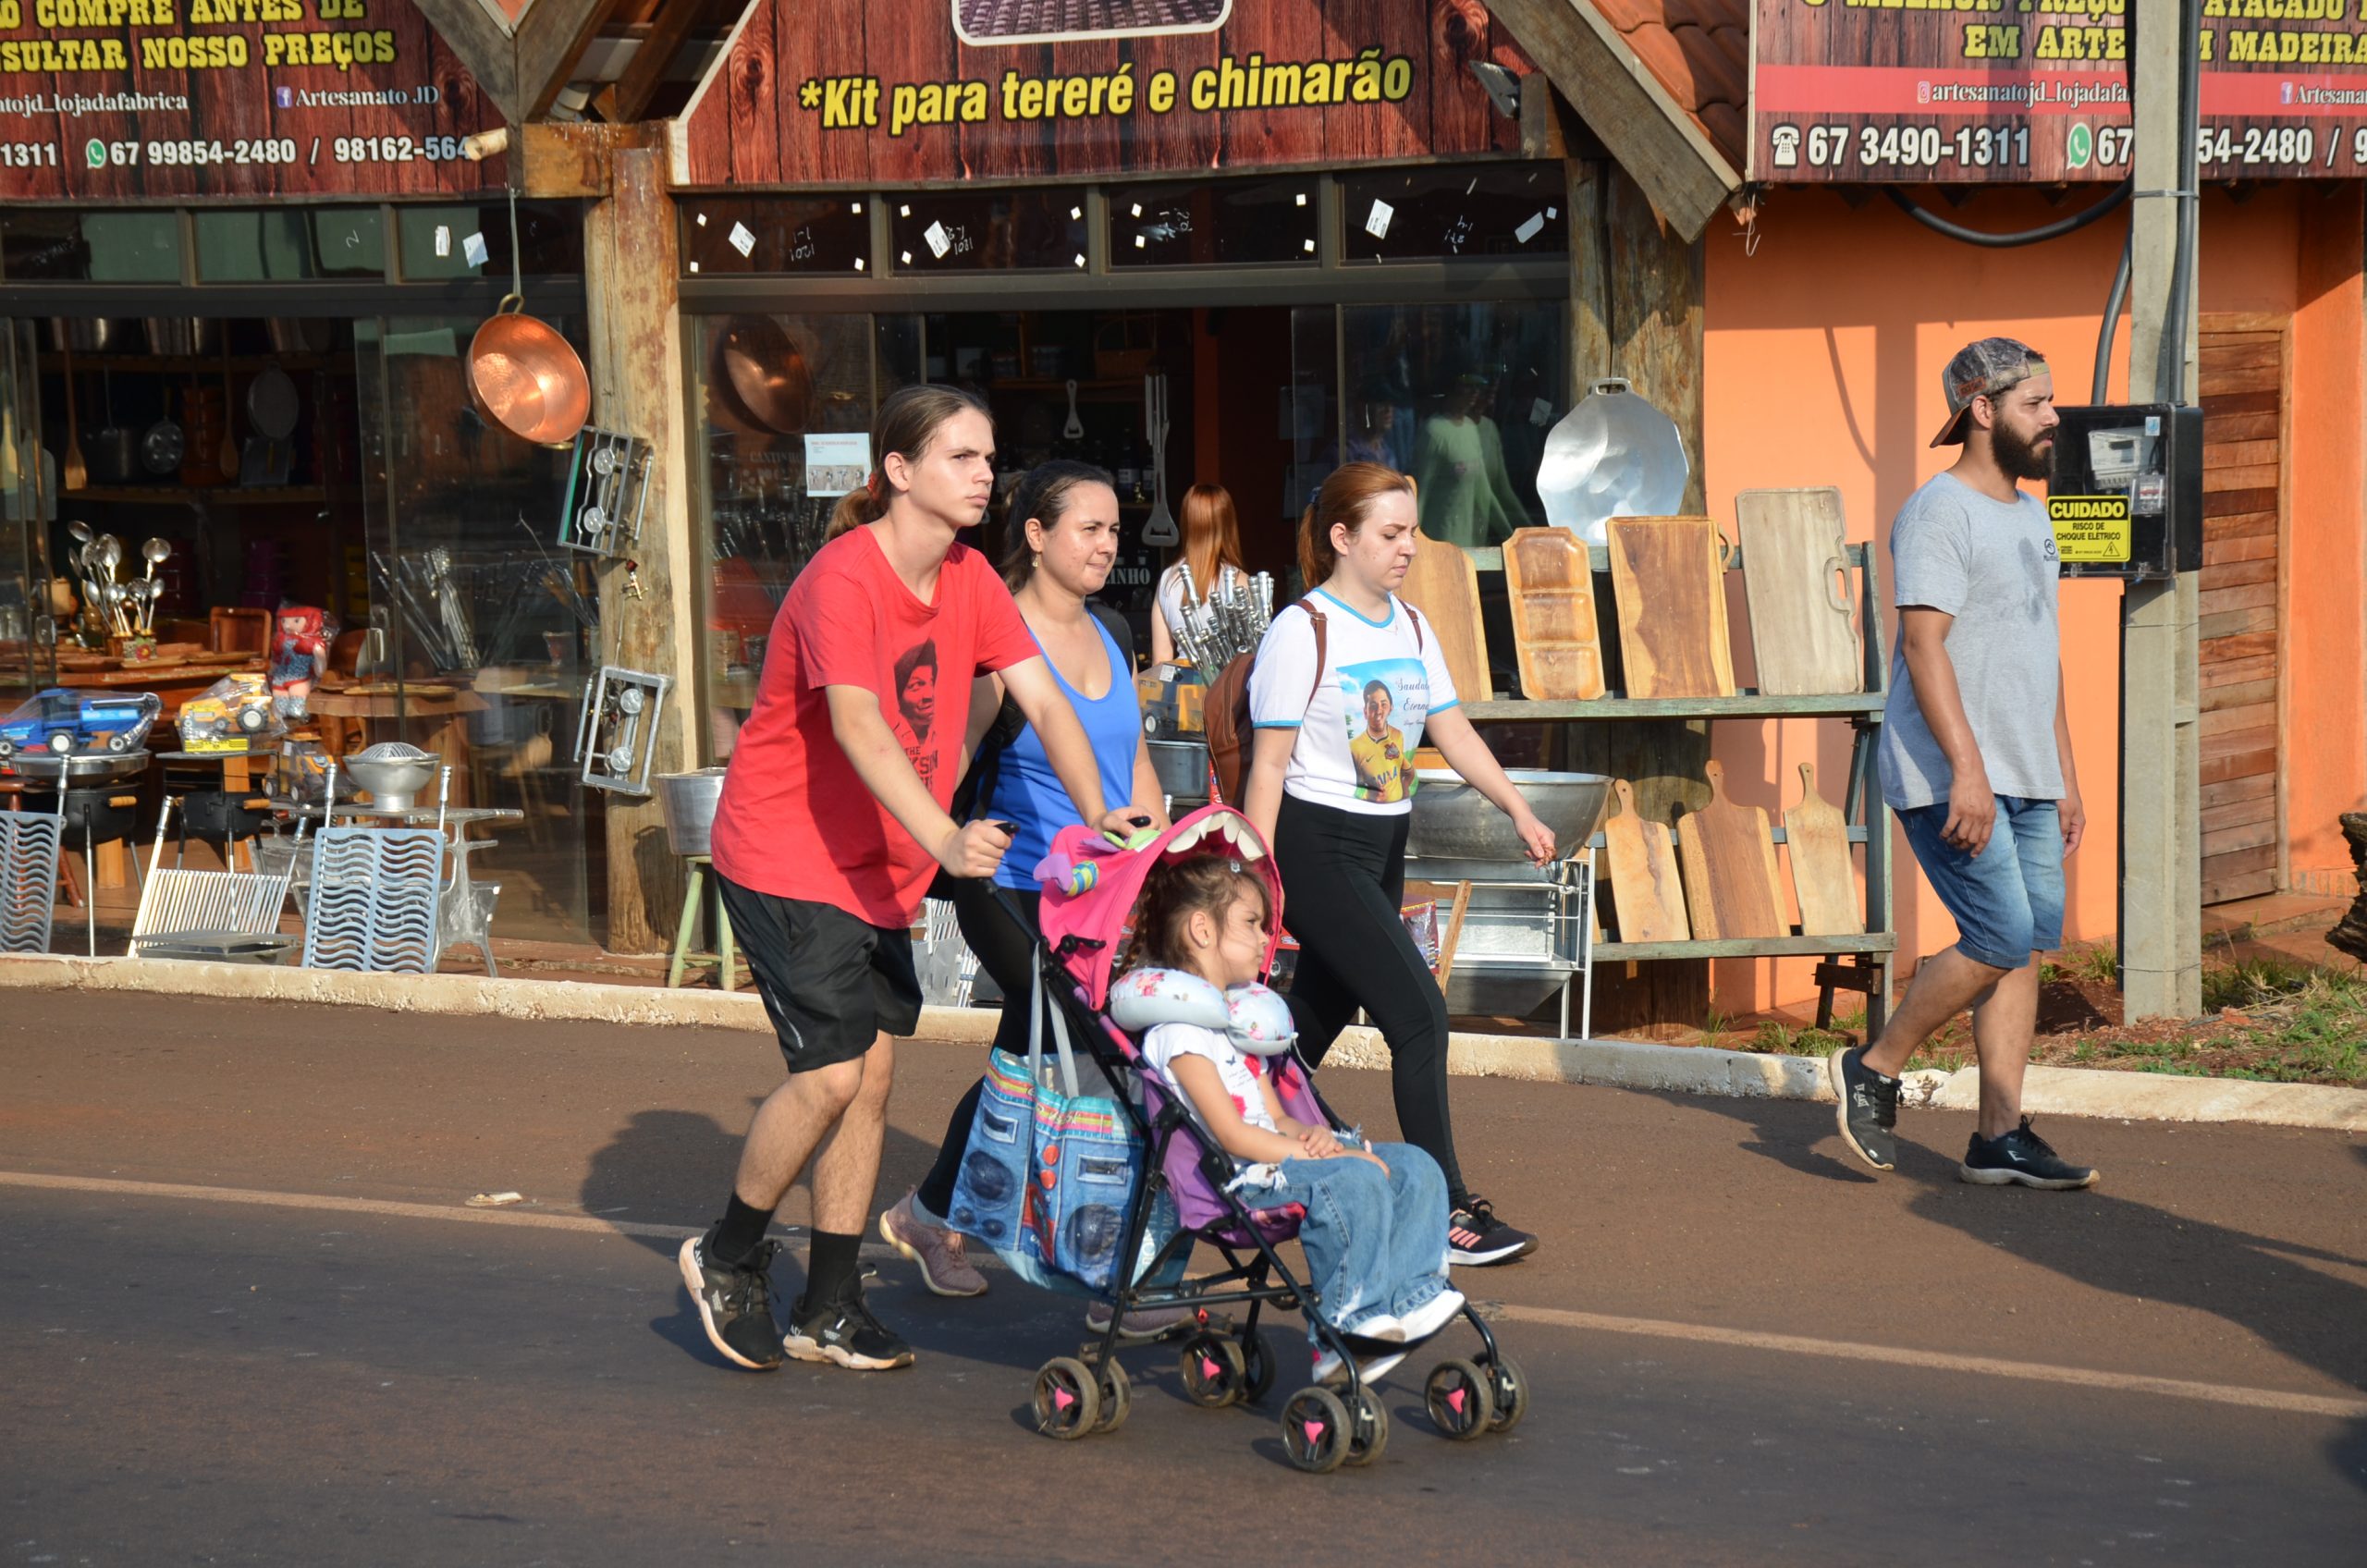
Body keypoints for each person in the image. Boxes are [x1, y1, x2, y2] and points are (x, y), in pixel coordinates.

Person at [681, 386, 1139, 1377]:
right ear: (899, 470)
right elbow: (857, 726)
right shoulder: (842, 579)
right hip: (784, 851)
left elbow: (1046, 706)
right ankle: (725, 1254)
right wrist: (945, 834)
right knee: (835, 1069)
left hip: (878, 866)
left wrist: (1101, 808)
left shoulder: (972, 579)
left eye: (986, 457)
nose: (984, 472)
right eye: (961, 457)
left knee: (874, 1078)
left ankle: (831, 1303)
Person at [878, 459, 1171, 1321]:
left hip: (1105, 885)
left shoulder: (1114, 630)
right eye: (1089, 528)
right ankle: (1100, 1264)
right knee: (1073, 1037)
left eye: (1114, 529)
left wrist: (1159, 853)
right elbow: (947, 767)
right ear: (1036, 537)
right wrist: (911, 856)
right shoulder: (994, 641)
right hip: (1008, 881)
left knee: (1026, 1051)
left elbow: (1137, 760)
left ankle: (926, 1213)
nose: (1108, 544)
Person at [1241, 462, 1555, 1266]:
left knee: (1324, 1009)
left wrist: (1516, 807)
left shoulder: (1412, 628)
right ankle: (1445, 1210)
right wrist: (1255, 882)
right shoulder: (1302, 630)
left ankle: (1240, 1127)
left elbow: (1449, 730)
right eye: (1391, 533)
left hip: (1382, 840)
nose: (1408, 546)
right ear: (1342, 538)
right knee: (1419, 1016)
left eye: (1411, 530)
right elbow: (1268, 768)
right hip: (1313, 845)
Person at [1829, 337, 2096, 1190]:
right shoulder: (1938, 512)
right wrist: (1969, 774)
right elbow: (1923, 644)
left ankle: (1998, 1136)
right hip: (1951, 776)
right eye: (2035, 404)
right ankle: (1875, 1066)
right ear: (1983, 412)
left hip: (2027, 774)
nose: (2053, 417)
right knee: (1997, 936)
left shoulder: (2030, 514)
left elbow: (2038, 655)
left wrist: (2065, 775)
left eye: (2051, 403)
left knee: (2022, 951)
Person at [1122, 854, 1465, 1381]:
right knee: (1355, 1179)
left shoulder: (1233, 1025)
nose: (1266, 938)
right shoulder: (1180, 1035)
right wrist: (1319, 1155)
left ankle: (1415, 1294)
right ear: (1201, 929)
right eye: (1252, 924)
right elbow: (1232, 1133)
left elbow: (1275, 1117)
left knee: (1417, 1167)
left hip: (1283, 1160)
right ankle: (1345, 1323)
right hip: (1243, 1183)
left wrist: (1315, 1137)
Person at [1150, 483, 1246, 668]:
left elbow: (1160, 661)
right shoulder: (1238, 581)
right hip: (1224, 693)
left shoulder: (1168, 580)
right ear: (1228, 524)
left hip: (1182, 692)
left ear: (1186, 522)